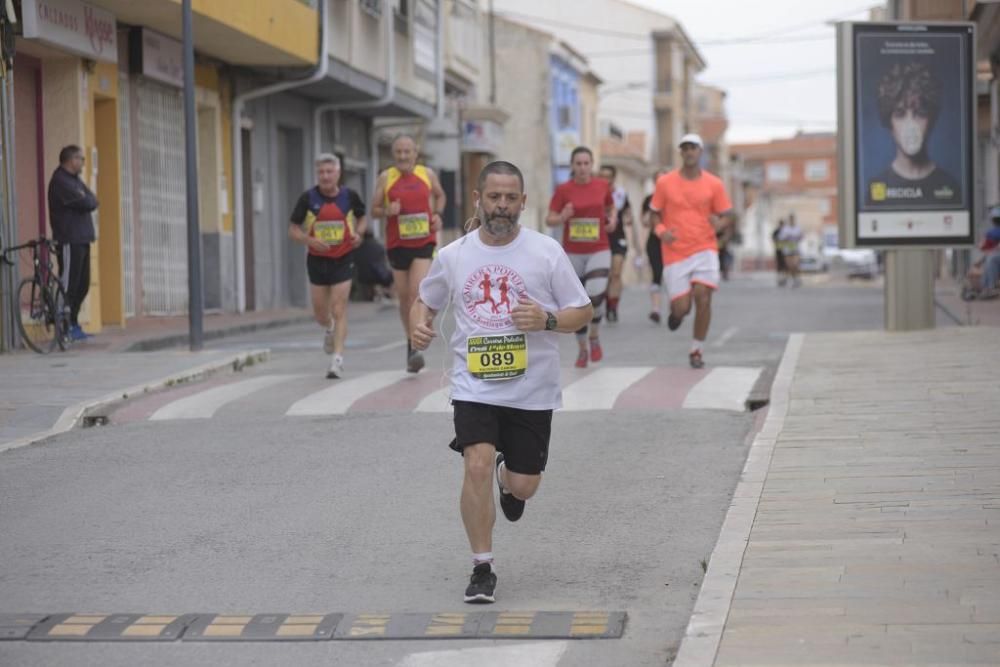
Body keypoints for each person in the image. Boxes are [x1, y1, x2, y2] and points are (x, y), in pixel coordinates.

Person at [410, 161, 593, 604]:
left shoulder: (546, 252)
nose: (502, 206)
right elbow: (425, 301)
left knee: (525, 485)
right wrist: (419, 325)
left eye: (511, 198)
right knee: (474, 462)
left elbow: (582, 311)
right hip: (475, 385)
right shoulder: (454, 255)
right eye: (494, 197)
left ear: (523, 203)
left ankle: (508, 481)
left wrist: (547, 318)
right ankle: (482, 567)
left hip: (532, 388)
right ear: (478, 199)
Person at [649, 134, 735, 369]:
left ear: (700, 152)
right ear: (681, 152)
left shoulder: (714, 184)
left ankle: (696, 349)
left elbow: (727, 215)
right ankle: (676, 314)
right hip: (675, 252)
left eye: (693, 148)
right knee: (683, 308)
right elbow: (654, 212)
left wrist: (720, 224)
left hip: (704, 248)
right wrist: (661, 230)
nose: (689, 152)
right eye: (685, 148)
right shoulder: (665, 183)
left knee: (703, 296)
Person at [371, 134, 446, 373]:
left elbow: (440, 195)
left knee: (416, 292)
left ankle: (416, 346)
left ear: (416, 153)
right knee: (403, 298)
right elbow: (373, 210)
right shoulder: (386, 177)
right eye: (399, 152)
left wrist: (437, 215)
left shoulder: (427, 174)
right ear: (394, 155)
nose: (403, 156)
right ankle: (410, 342)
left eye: (407, 152)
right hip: (397, 244)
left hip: (424, 242)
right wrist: (387, 210)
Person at [288, 153, 367, 379]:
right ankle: (329, 327)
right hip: (317, 260)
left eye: (329, 171)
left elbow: (362, 218)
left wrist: (359, 234)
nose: (325, 176)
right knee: (321, 314)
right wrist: (309, 240)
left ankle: (337, 360)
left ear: (338, 173)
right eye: (321, 172)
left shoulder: (350, 197)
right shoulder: (308, 198)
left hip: (343, 258)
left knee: (339, 308)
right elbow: (292, 229)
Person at [546, 146, 615, 368]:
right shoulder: (564, 189)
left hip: (599, 247)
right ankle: (583, 347)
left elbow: (611, 208)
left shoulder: (602, 186)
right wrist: (563, 216)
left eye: (587, 163)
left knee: (596, 294)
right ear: (572, 166)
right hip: (573, 252)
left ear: (591, 165)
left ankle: (594, 335)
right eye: (578, 163)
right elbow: (550, 219)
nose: (583, 167)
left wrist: (612, 220)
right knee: (577, 302)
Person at [865, 61, 960, 208]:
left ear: (931, 120)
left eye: (920, 114)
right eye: (900, 114)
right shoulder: (876, 188)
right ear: (889, 122)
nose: (910, 126)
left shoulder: (950, 187)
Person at [48, 145, 98, 341]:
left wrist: (87, 199)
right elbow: (87, 203)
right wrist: (86, 200)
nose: (83, 163)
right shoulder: (60, 181)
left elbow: (92, 200)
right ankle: (63, 326)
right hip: (69, 239)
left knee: (83, 284)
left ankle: (74, 323)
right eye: (81, 159)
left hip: (83, 238)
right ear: (71, 160)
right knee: (68, 284)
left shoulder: (75, 180)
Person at [598, 164, 633, 322]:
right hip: (600, 238)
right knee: (604, 275)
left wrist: (628, 218)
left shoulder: (620, 194)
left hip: (618, 237)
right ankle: (605, 301)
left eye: (608, 176)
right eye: (602, 176)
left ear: (613, 178)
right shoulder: (594, 193)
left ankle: (613, 306)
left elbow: (628, 212)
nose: (605, 179)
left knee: (616, 273)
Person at [640, 171, 667, 323]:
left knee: (671, 275)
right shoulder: (649, 200)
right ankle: (656, 309)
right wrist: (652, 210)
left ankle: (677, 308)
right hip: (655, 240)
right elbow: (644, 222)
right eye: (658, 180)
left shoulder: (674, 197)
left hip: (672, 242)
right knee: (657, 274)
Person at [775, 214, 803, 288]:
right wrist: (785, 238)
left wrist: (799, 237)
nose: (792, 221)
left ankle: (797, 278)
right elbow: (780, 238)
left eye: (793, 219)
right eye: (790, 219)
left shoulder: (798, 228)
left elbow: (801, 237)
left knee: (795, 264)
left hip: (795, 249)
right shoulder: (785, 229)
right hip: (787, 250)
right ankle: (793, 278)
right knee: (790, 266)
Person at [772, 219, 787, 286]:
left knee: (784, 265)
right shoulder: (776, 231)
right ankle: (779, 278)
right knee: (779, 265)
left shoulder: (785, 231)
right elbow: (773, 239)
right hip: (778, 250)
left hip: (785, 250)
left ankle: (784, 278)